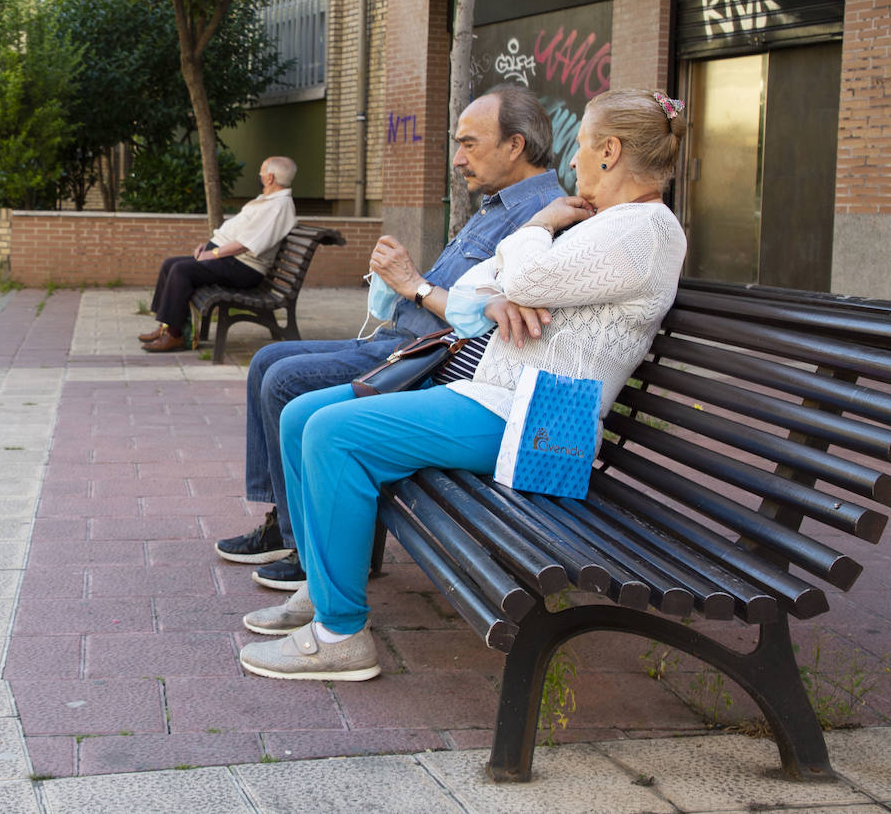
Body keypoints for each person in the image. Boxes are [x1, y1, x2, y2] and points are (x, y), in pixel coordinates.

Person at [238, 88, 690, 681]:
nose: (573, 162)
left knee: (331, 433)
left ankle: (341, 632)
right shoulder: (610, 226)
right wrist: (509, 289)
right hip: (493, 397)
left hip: (539, 422)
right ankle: (323, 590)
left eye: (580, 146)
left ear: (609, 151)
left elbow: (523, 270)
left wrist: (536, 225)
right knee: (301, 415)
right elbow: (494, 282)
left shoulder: (644, 231)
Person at [216, 85, 565, 589]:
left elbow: (492, 312)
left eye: (469, 144)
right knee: (268, 360)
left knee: (286, 380)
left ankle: (301, 543)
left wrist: (413, 284)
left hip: (426, 361)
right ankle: (284, 522)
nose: (457, 159)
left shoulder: (543, 215)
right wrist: (400, 278)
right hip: (399, 341)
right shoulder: (498, 204)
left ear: (515, 145)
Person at [139, 156, 299, 353]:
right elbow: (236, 233)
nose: (259, 175)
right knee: (169, 264)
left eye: (261, 172)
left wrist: (212, 253)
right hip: (231, 261)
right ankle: (166, 326)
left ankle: (175, 335)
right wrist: (208, 248)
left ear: (270, 178)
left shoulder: (278, 207)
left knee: (181, 270)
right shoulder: (268, 201)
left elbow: (245, 244)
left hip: (244, 268)